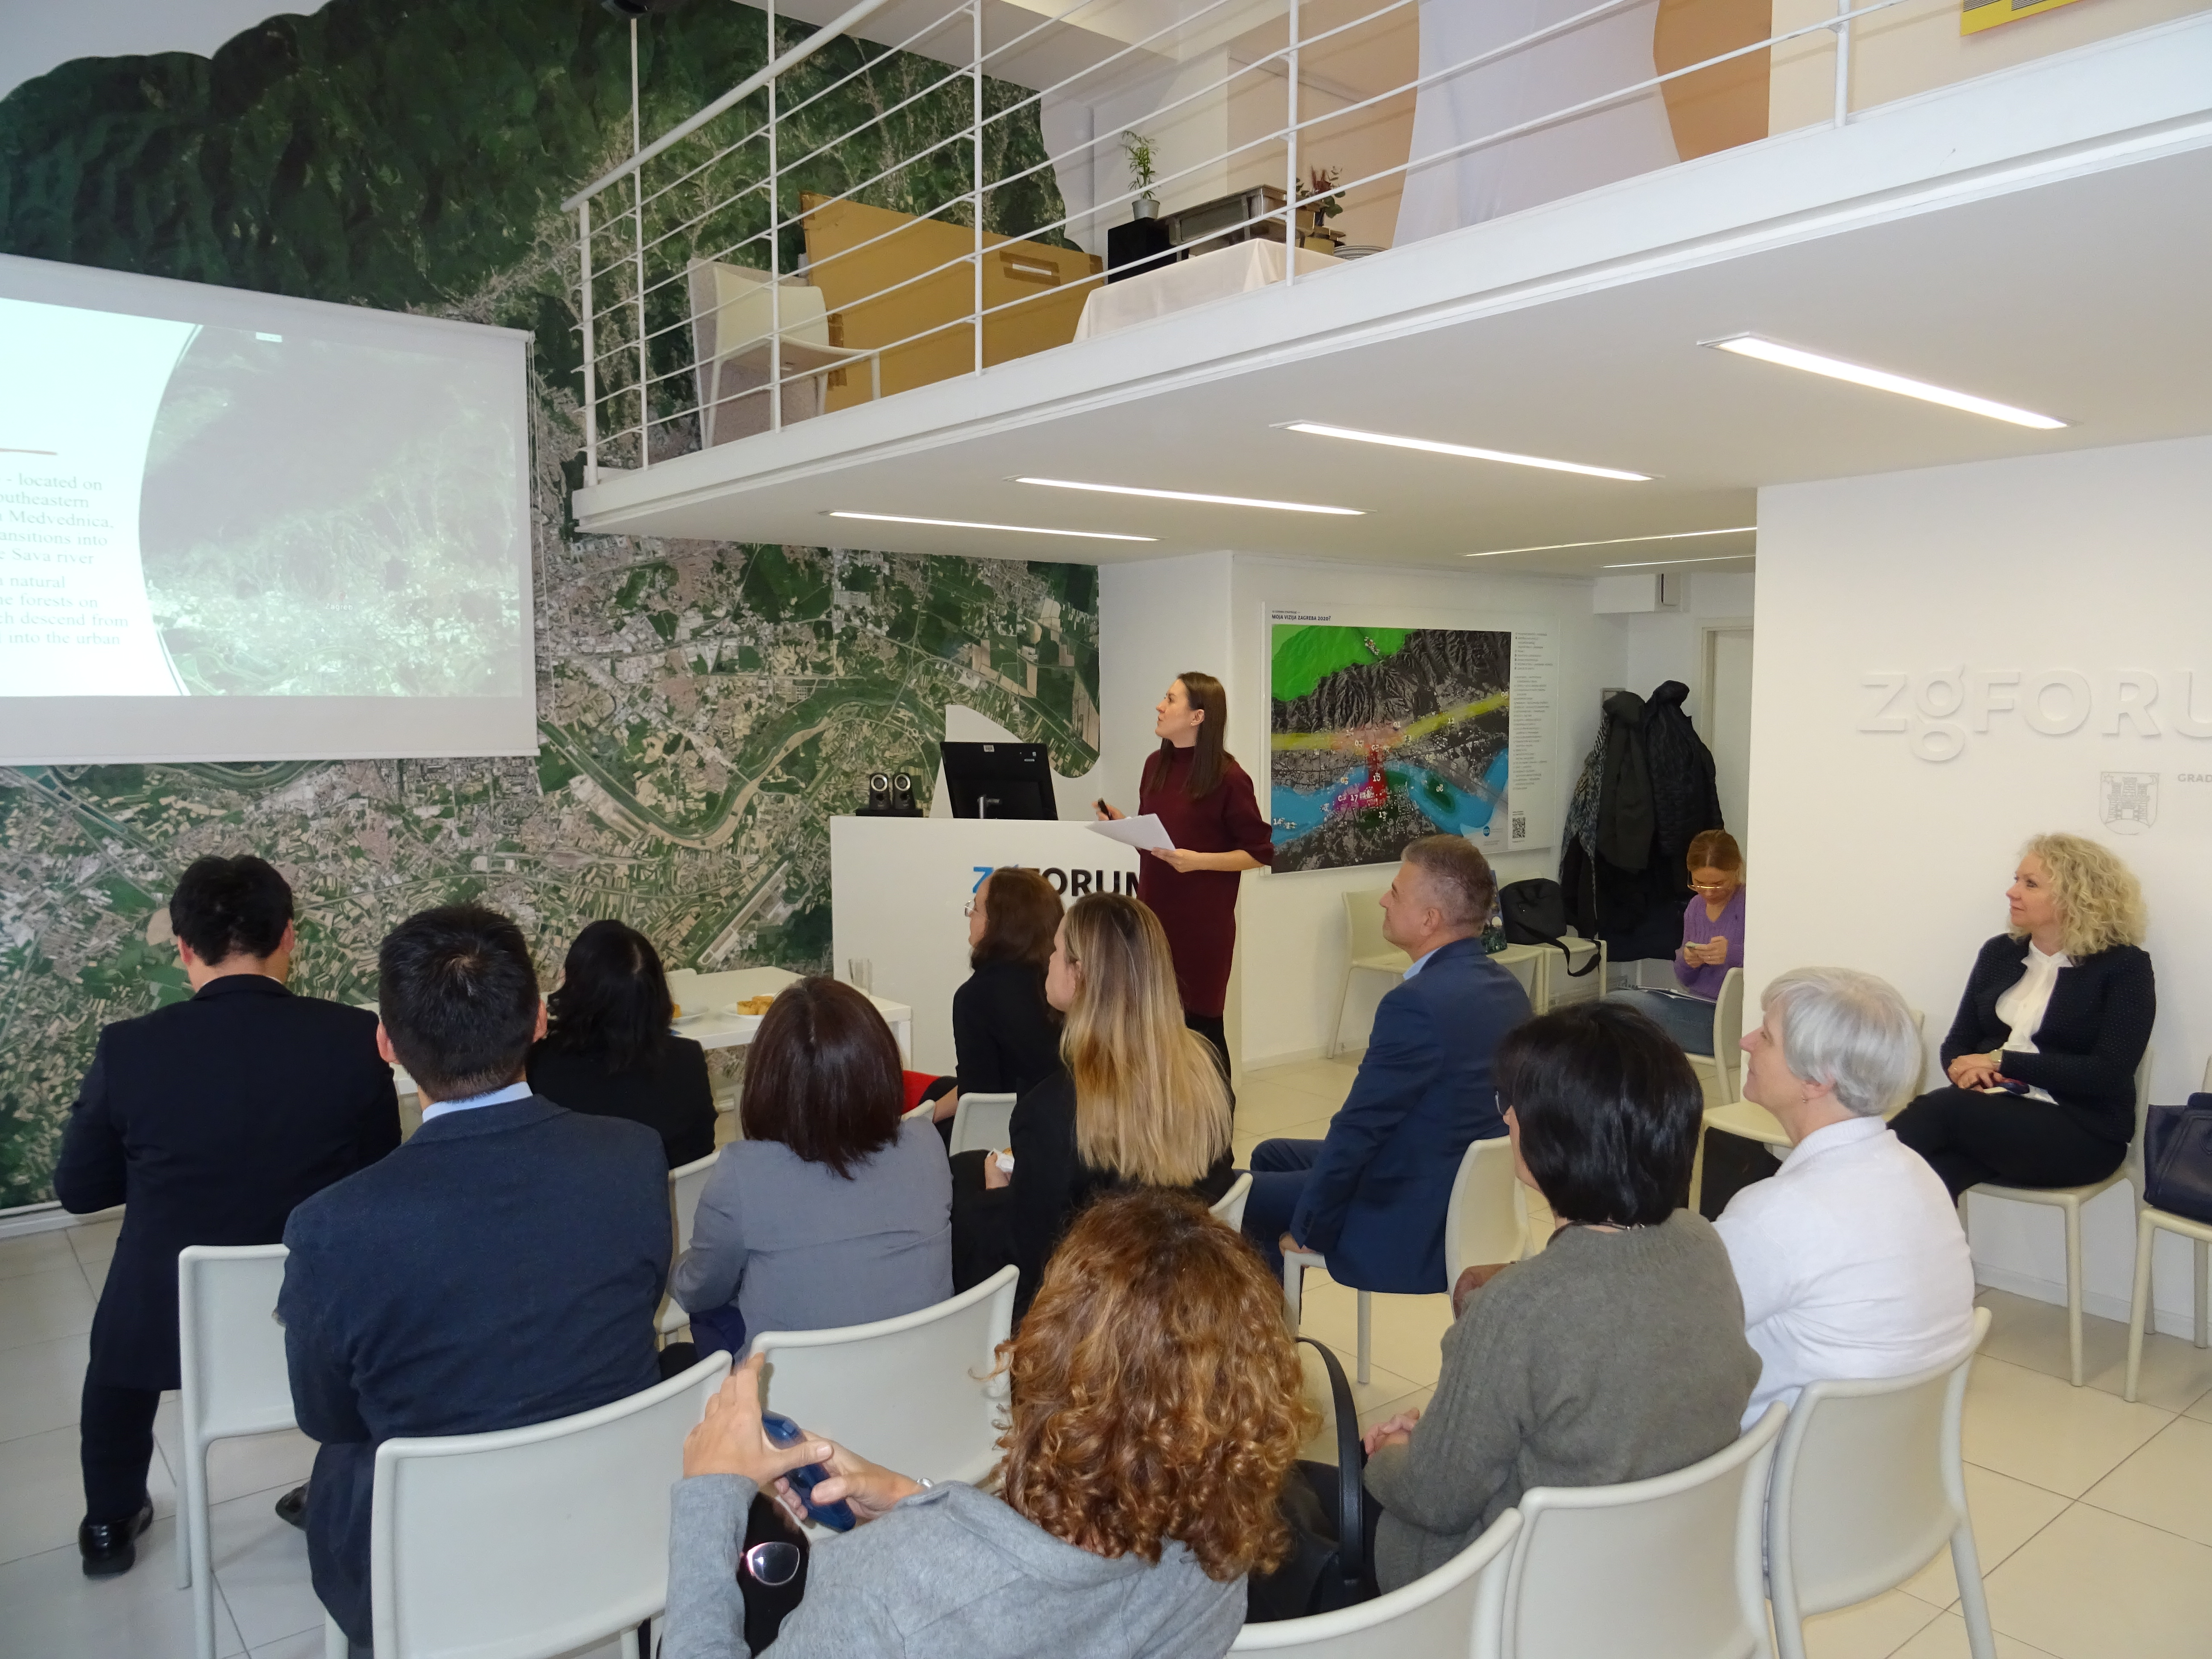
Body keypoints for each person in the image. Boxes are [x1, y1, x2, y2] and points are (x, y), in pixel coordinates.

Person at [662, 1187, 1313, 1659]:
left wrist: (709, 1498)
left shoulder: (881, 1592)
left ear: (1044, 1356)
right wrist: (924, 1504)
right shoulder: (1217, 1563)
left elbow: (969, 1600)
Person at [279, 904, 672, 1651]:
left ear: (387, 1045)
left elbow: (326, 1416)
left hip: (430, 1560)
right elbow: (639, 1303)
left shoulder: (332, 1226)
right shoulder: (632, 1156)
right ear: (539, 1020)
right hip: (614, 1513)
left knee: (342, 1463)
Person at [53, 855, 399, 1579]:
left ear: (183, 947)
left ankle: (109, 1522)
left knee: (115, 1350)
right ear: (289, 937)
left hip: (170, 1320)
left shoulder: (130, 1048)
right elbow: (377, 1176)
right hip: (318, 1309)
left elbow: (79, 1190)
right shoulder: (351, 1037)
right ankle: (340, 1486)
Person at [1358, 1001, 1759, 1594]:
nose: (1508, 1117)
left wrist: (1390, 1453)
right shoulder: (1702, 1244)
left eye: (1515, 1103)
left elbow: (1433, 1499)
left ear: (1559, 1137)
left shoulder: (1519, 1307)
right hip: (1662, 1575)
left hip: (1509, 1592)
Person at [1244, 836, 1529, 1287]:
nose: (1383, 900)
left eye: (1395, 893)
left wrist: (1309, 1230)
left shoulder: (1416, 1005)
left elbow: (1359, 1130)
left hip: (1410, 1218)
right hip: (1467, 1195)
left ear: (1429, 919)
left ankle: (1262, 1327)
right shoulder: (1508, 988)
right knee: (1271, 1154)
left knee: (1231, 1195)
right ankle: (1278, 1314)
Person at [951, 892, 1235, 1321]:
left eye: (1056, 950)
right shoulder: (1205, 1072)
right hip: (1183, 1293)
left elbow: (1030, 1269)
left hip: (1089, 1321)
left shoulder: (1052, 1112)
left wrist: (999, 1199)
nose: (1048, 960)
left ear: (1079, 974)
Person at [1717, 968, 1978, 1427]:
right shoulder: (1918, 1175)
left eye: (1767, 1037)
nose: (1746, 1041)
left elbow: (1672, 1332)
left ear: (1817, 1079)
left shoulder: (1775, 1213)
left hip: (1775, 1461)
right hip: (1889, 1458)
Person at [672, 977, 952, 1357]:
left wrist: (668, 1267)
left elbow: (698, 1292)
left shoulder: (743, 1173)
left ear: (767, 1081)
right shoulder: (925, 1143)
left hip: (791, 1393)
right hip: (925, 1377)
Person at [1891, 834, 2155, 1198]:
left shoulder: (2124, 967)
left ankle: (1833, 1178)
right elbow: (1959, 1043)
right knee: (1926, 1177)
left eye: (2030, 884)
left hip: (2083, 1132)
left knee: (1942, 1110)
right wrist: (1971, 1072)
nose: (2012, 892)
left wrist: (2001, 1061)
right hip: (1994, 1114)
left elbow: (2108, 1072)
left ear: (2078, 896)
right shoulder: (2000, 953)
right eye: (2017, 880)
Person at [1094, 672, 1273, 1070]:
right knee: (1150, 1026)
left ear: (1198, 717)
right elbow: (1159, 840)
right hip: (1152, 919)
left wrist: (1199, 860)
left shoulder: (1229, 778)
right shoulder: (1154, 765)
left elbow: (1260, 852)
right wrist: (1125, 825)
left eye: (1171, 700)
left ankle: (1217, 1110)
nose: (1160, 706)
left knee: (1201, 1033)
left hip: (1201, 929)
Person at [528, 918, 716, 1169]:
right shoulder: (689, 1060)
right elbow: (702, 1149)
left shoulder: (537, 1068)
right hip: (676, 1194)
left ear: (573, 989)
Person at [920, 867, 1064, 1139]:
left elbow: (978, 1095)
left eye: (975, 909)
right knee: (938, 1091)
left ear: (996, 924)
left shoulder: (976, 997)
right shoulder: (1061, 985)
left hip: (1013, 1136)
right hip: (1068, 1119)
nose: (970, 916)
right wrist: (929, 1113)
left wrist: (918, 1122)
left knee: (931, 1114)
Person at [1609, 828, 1744, 1055]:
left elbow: (1772, 965)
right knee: (1616, 1005)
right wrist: (1687, 960)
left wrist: (1731, 954)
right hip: (1697, 1005)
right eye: (1699, 883)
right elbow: (1685, 979)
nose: (1709, 893)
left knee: (1622, 1009)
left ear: (1737, 870)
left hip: (1731, 1020)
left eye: (1718, 884)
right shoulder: (1695, 907)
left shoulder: (1750, 903)